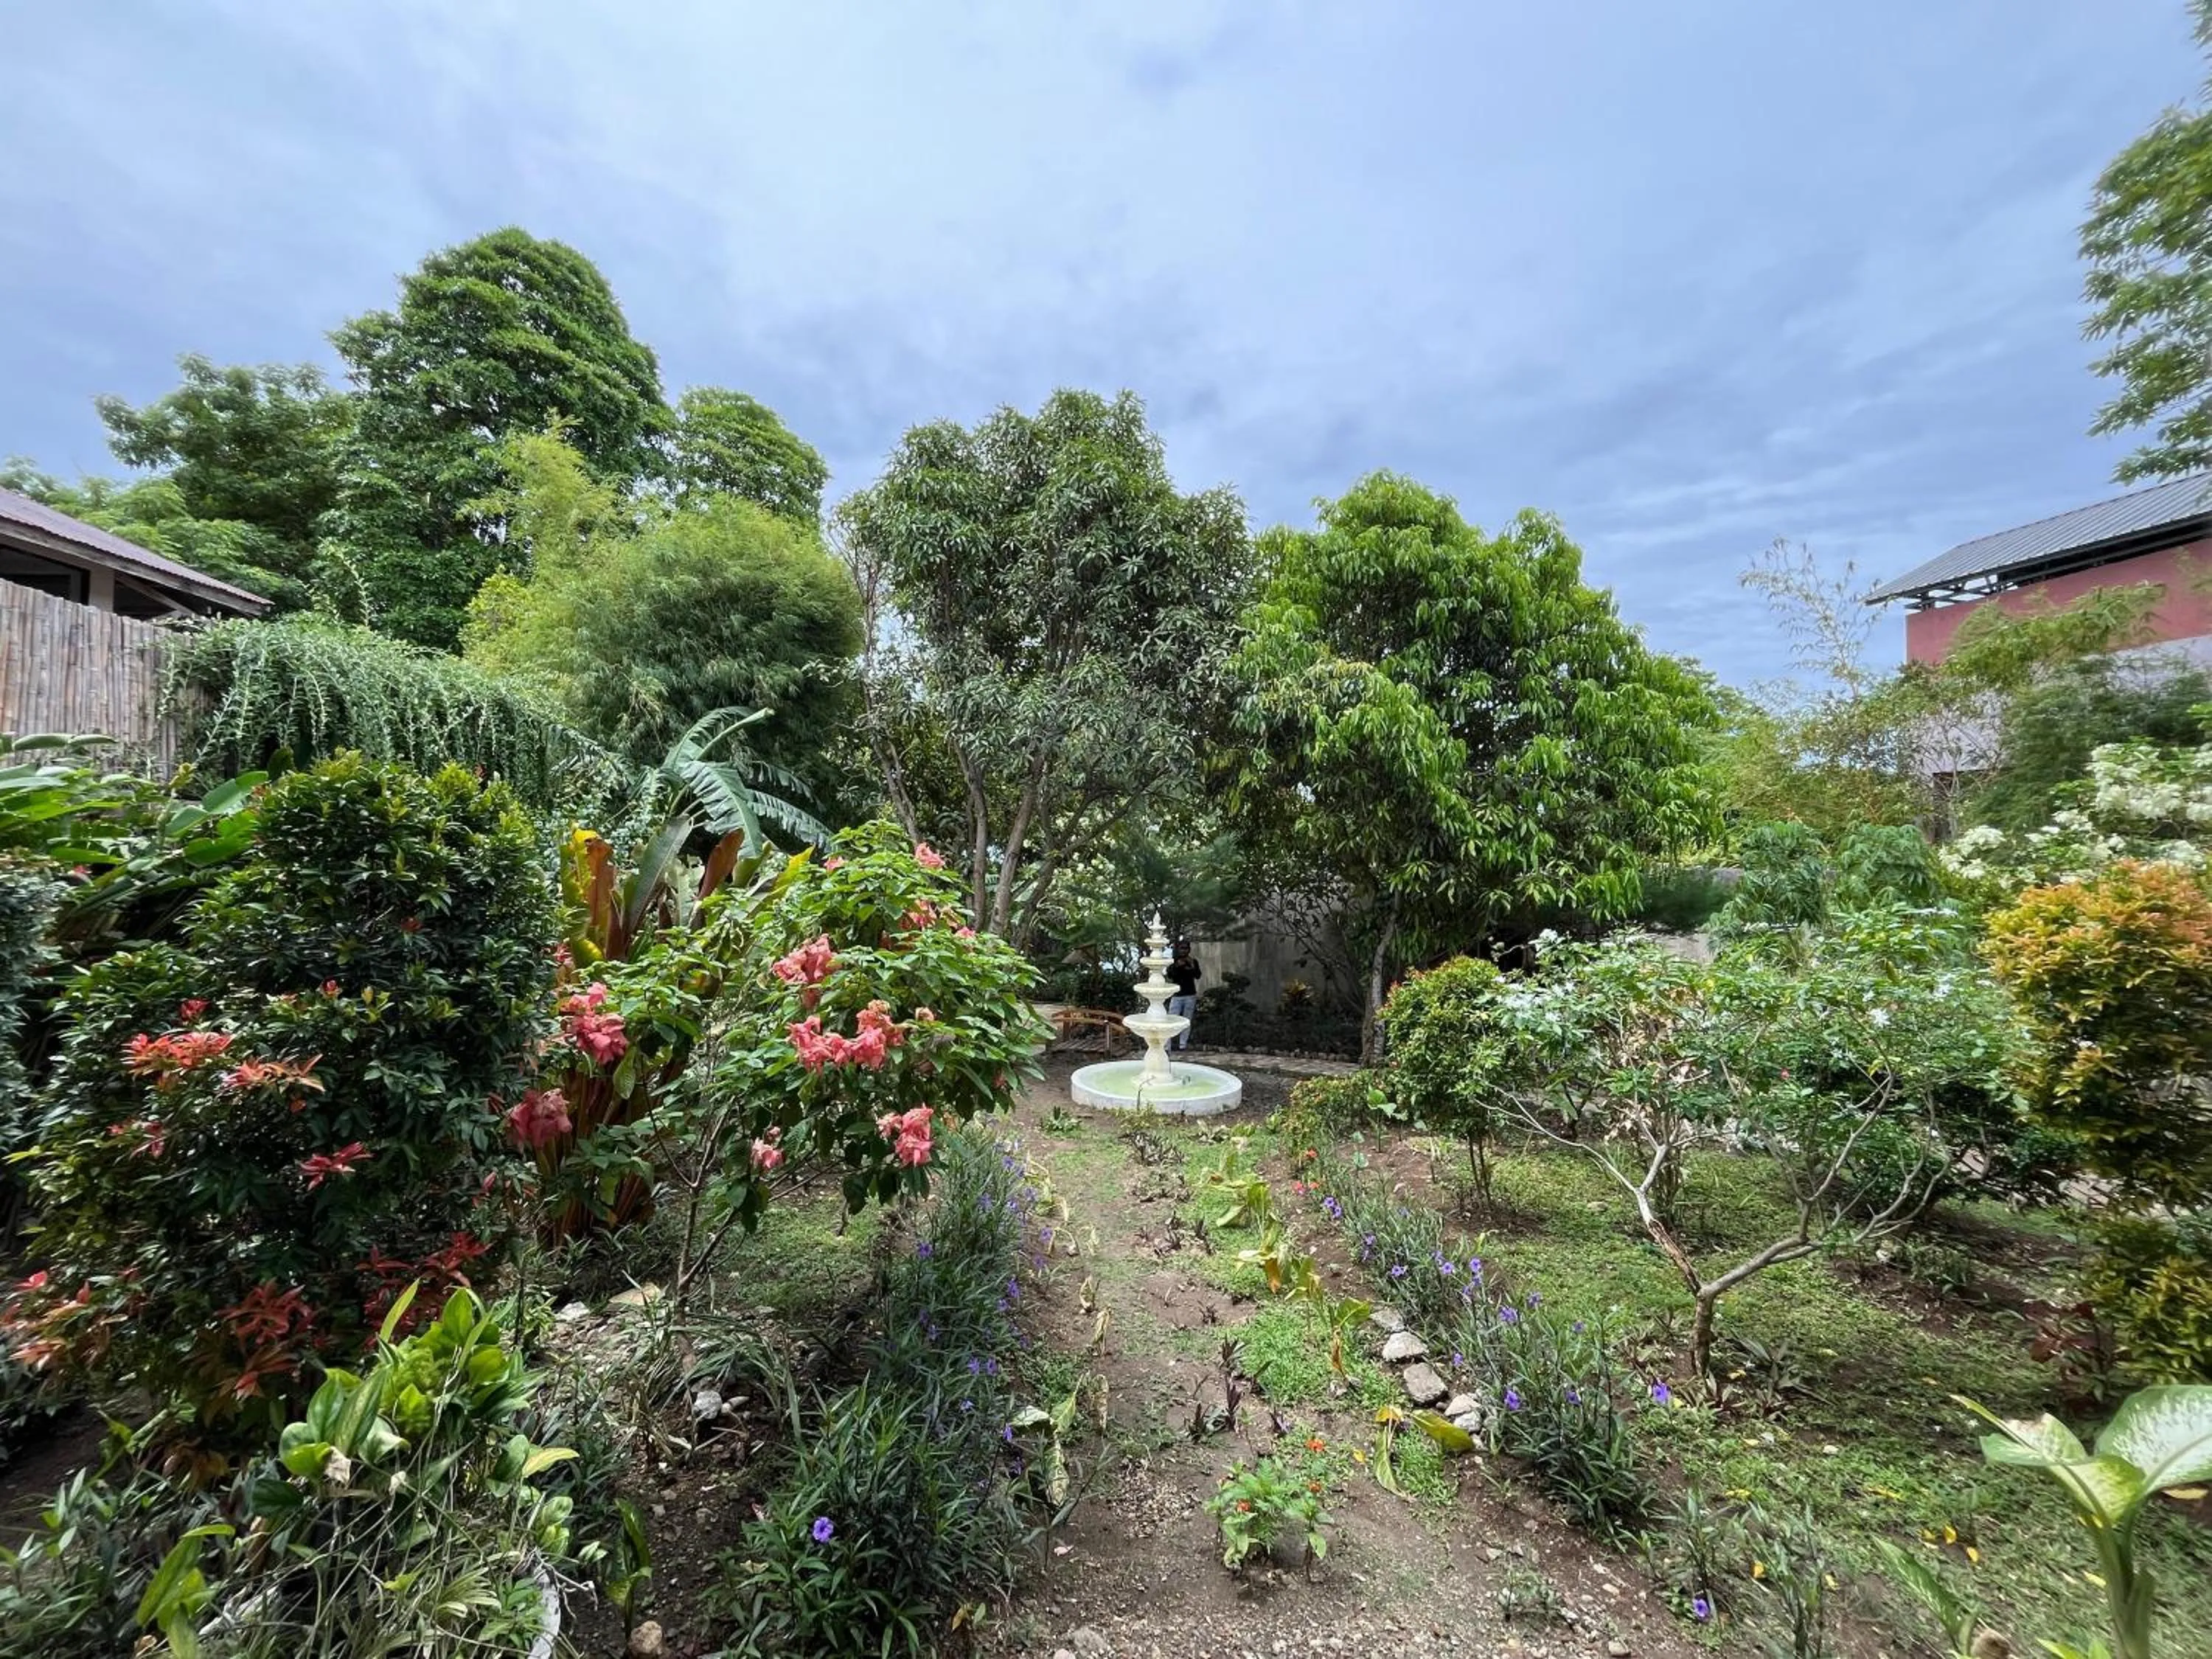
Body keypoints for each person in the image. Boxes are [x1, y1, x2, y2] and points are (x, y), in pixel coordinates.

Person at [1166, 940, 1201, 1051]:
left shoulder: (1193, 961)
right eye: (1182, 948)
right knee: (1171, 1020)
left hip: (1190, 995)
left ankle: (1183, 1045)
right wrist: (1177, 966)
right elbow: (1170, 975)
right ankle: (1167, 1045)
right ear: (1178, 949)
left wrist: (1191, 966)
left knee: (1186, 1021)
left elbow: (1198, 975)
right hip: (1176, 996)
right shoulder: (1173, 962)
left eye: (1186, 948)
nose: (1184, 950)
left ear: (1189, 950)